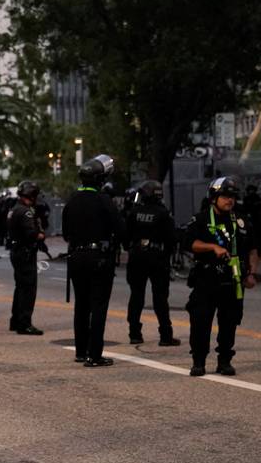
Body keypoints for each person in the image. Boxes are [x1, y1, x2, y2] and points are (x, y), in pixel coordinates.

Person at [185, 177, 258, 377]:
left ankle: (224, 361)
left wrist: (251, 273)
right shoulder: (201, 219)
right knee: (200, 322)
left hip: (233, 280)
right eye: (225, 196)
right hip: (206, 279)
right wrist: (212, 247)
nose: (230, 200)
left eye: (232, 196)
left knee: (229, 323)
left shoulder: (242, 221)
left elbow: (253, 249)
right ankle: (198, 361)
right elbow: (189, 242)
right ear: (213, 198)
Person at [62, 155, 125, 367]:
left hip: (76, 256)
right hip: (98, 257)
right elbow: (120, 229)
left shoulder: (72, 200)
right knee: (98, 305)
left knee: (81, 304)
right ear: (100, 179)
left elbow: (65, 233)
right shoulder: (104, 200)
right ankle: (94, 354)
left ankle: (81, 351)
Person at [124, 180, 179, 346]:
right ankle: (165, 335)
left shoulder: (134, 212)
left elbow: (125, 237)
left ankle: (134, 333)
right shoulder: (164, 213)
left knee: (136, 296)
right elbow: (172, 240)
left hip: (137, 257)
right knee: (160, 298)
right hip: (157, 257)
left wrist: (131, 249)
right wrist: (166, 257)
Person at [7, 180, 44, 335]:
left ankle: (16, 320)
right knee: (28, 289)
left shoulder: (14, 209)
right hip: (25, 252)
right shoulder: (26, 211)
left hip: (17, 250)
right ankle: (24, 323)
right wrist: (40, 235)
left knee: (20, 288)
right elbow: (31, 233)